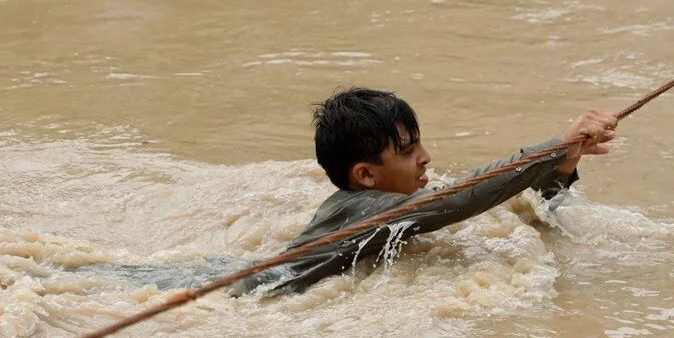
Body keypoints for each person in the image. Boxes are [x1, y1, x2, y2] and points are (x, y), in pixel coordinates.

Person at [231, 88, 617, 296]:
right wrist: (554, 146)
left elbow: (530, 211)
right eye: (408, 151)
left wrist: (563, 164)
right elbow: (463, 197)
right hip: (252, 290)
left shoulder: (376, 202)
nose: (426, 158)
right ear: (366, 175)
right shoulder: (369, 208)